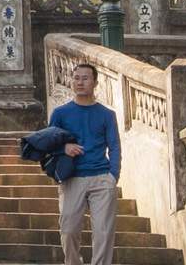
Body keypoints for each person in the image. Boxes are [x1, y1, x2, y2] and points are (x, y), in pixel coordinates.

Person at [50, 62, 121, 265]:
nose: (80, 82)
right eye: (76, 78)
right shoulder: (60, 114)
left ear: (95, 83)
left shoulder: (107, 115)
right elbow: (47, 144)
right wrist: (63, 149)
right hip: (72, 179)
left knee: (103, 233)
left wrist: (113, 175)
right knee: (69, 230)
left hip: (102, 178)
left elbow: (114, 146)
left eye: (85, 78)